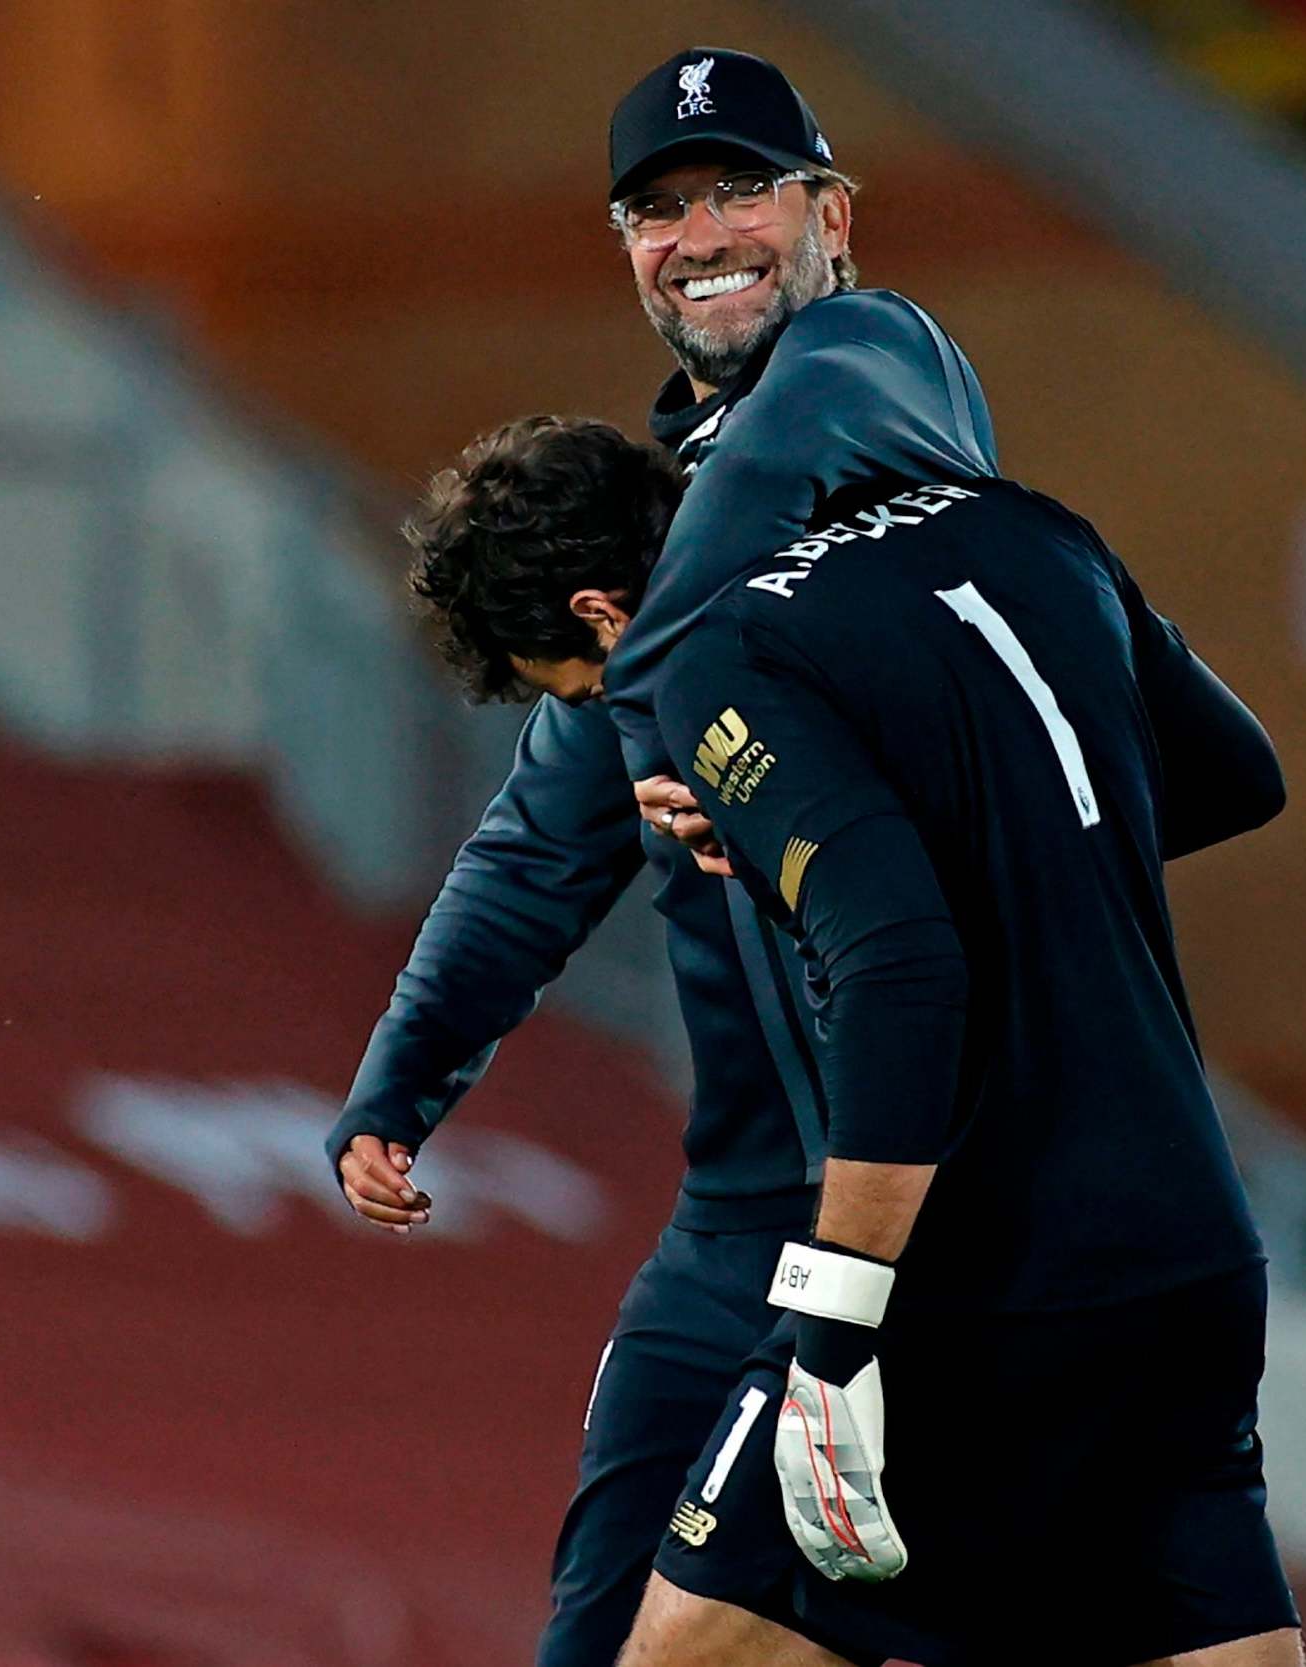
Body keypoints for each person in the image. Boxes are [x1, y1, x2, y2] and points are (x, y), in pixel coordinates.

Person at [408, 412, 1306, 1667]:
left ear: (608, 614)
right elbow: (1234, 775)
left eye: (590, 690)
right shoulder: (1025, 527)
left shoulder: (721, 650)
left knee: (688, 1647)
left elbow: (898, 962)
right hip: (1187, 1245)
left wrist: (832, 1332)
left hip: (976, 1270)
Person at [326, 47, 997, 1667]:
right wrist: (395, 1086)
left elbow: (780, 464)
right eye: (658, 210)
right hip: (738, 1208)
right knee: (593, 1625)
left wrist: (675, 662)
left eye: (740, 192)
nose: (701, 234)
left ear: (833, 213)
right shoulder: (658, 527)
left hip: (913, 1198)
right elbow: (534, 847)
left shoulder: (876, 367)